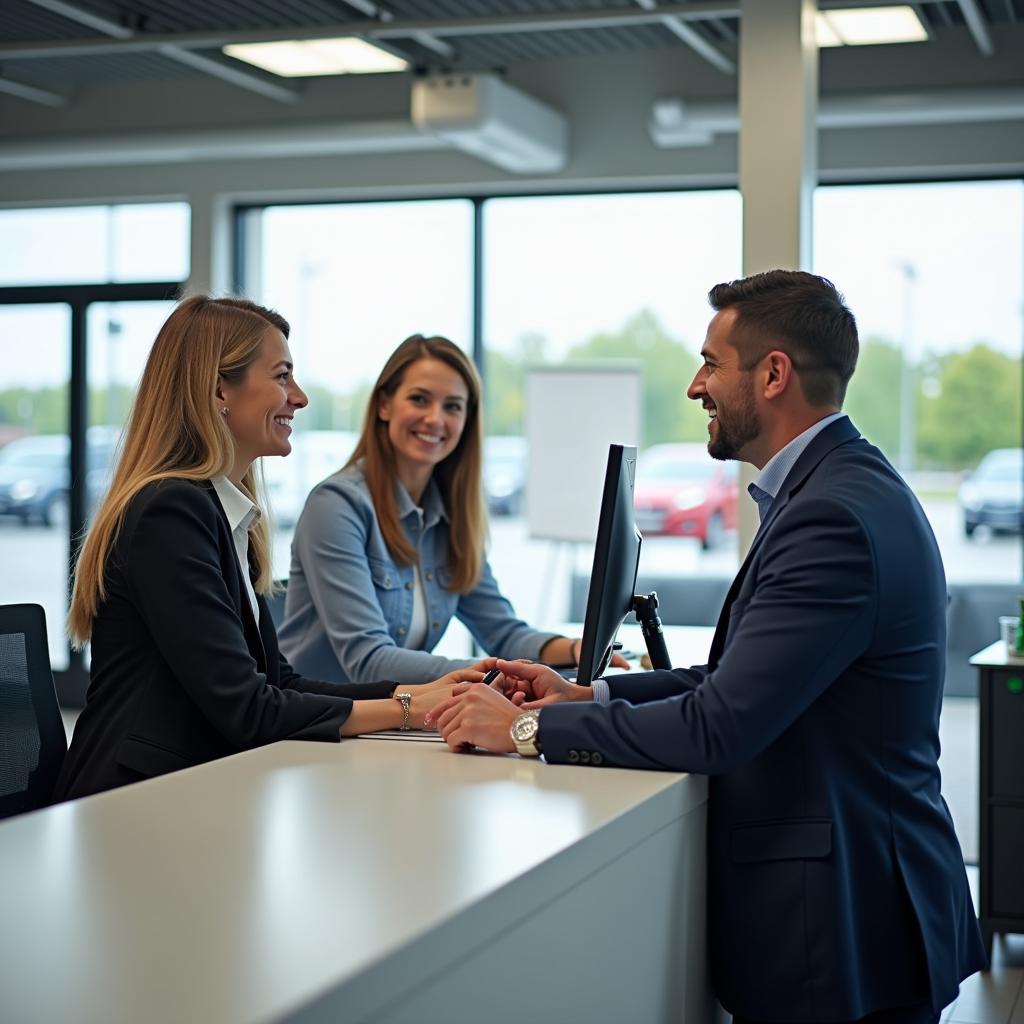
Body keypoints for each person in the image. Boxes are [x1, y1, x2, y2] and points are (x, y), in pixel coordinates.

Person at [426, 271, 986, 1024]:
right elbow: (736, 678)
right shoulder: (836, 490)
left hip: (844, 922)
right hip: (854, 912)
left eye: (711, 362)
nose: (696, 386)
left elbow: (722, 723)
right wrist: (587, 694)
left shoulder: (833, 519)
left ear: (774, 374)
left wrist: (526, 728)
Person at [54, 298, 478, 803]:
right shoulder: (170, 513)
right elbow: (250, 709)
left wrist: (416, 695)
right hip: (132, 804)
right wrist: (411, 709)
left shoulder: (226, 516)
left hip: (197, 790)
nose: (298, 398)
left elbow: (280, 680)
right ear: (218, 389)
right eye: (281, 376)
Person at [278, 334, 623, 684]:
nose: (435, 419)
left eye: (453, 406)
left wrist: (575, 649)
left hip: (393, 721)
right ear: (384, 405)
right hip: (320, 725)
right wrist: (492, 674)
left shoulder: (450, 517)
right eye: (419, 399)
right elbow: (368, 660)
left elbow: (503, 633)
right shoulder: (337, 506)